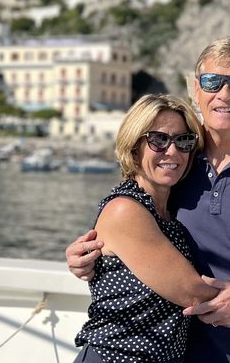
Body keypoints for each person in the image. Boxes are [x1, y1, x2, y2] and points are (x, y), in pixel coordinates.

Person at [67, 36, 230, 363]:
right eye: (212, 81)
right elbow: (128, 219)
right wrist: (88, 253)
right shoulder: (178, 162)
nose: (225, 93)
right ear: (196, 89)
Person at [73, 94, 219, 363]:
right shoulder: (125, 210)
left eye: (183, 141)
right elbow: (192, 293)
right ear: (133, 146)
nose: (172, 151)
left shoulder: (170, 210)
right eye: (158, 140)